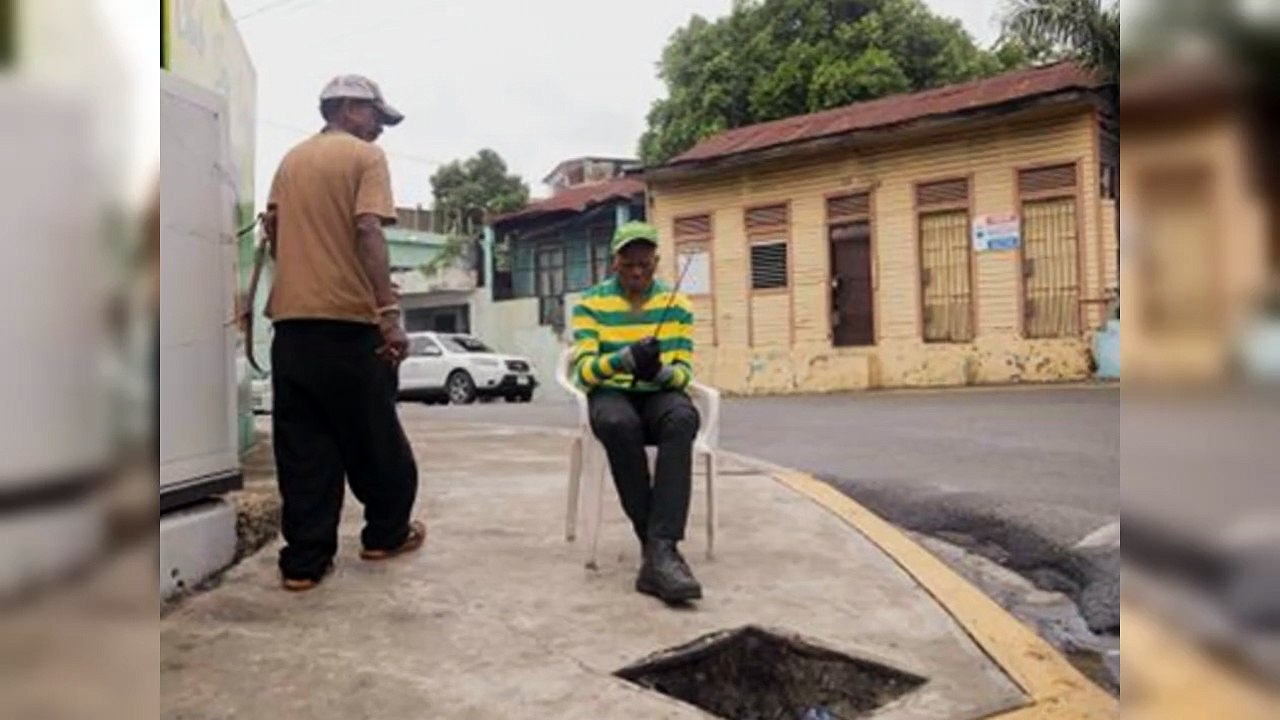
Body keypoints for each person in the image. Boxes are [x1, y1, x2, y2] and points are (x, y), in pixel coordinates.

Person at [263, 75, 424, 592]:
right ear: (350, 109)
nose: (379, 128)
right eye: (376, 116)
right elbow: (367, 229)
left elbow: (274, 231)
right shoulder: (363, 158)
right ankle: (385, 534)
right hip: (349, 323)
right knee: (375, 436)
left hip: (291, 325)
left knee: (304, 448)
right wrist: (388, 311)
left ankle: (304, 564)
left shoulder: (290, 160)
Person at [571, 221, 703, 603]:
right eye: (629, 264)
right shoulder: (590, 304)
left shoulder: (677, 305)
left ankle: (659, 550)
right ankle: (660, 551)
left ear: (656, 263)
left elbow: (683, 374)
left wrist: (658, 371)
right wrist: (624, 360)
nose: (637, 272)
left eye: (645, 264)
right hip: (611, 393)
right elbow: (584, 372)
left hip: (657, 393)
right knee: (617, 423)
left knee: (683, 418)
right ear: (615, 262)